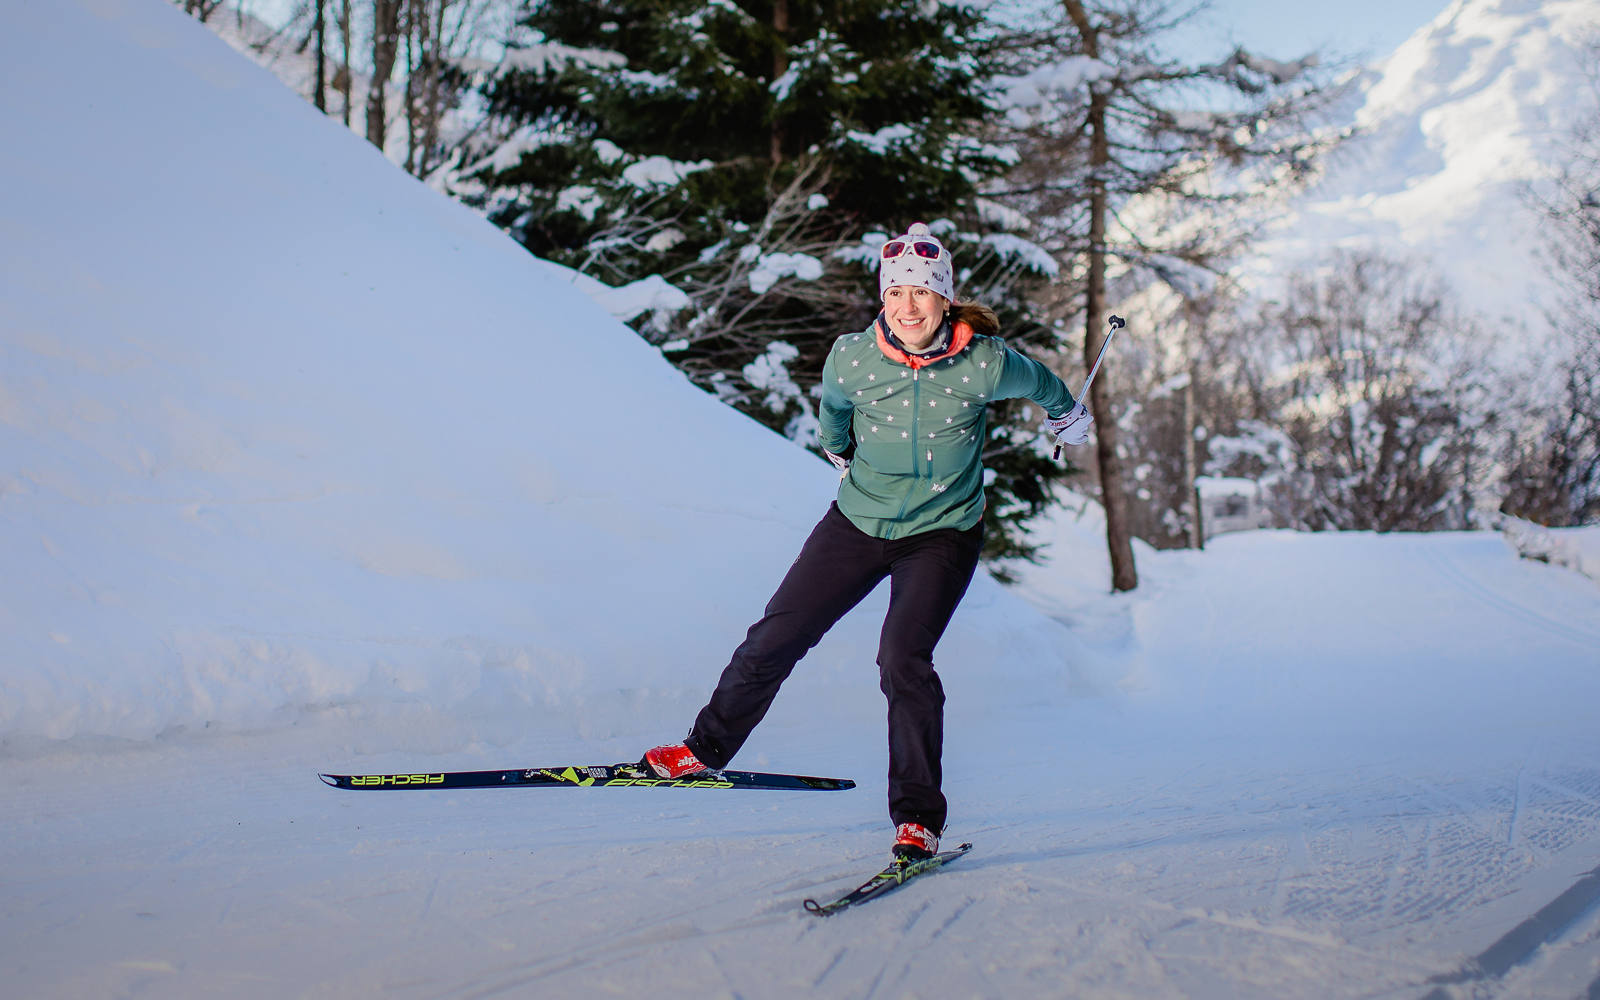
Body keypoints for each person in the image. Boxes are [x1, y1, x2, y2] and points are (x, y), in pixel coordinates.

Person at [643, 223, 1095, 861]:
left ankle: (917, 819)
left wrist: (1068, 416)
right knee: (775, 635)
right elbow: (833, 417)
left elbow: (1045, 384)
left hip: (941, 533)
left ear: (944, 300)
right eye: (897, 294)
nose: (908, 306)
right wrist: (841, 454)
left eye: (921, 293)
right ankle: (701, 751)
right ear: (883, 299)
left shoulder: (985, 364)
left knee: (901, 661)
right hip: (856, 521)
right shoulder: (851, 356)